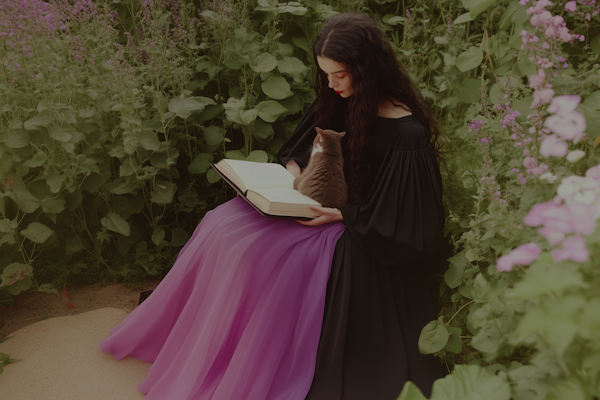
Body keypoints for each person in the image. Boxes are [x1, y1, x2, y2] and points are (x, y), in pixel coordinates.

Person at [99, 11, 446, 400]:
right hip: (318, 205)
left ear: (369, 69)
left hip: (364, 233)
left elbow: (412, 227)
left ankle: (250, 355)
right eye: (325, 74)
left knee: (265, 253)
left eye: (340, 75)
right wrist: (298, 167)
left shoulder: (407, 132)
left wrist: (343, 215)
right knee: (223, 224)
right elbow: (299, 150)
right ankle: (207, 339)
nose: (331, 84)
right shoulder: (341, 97)